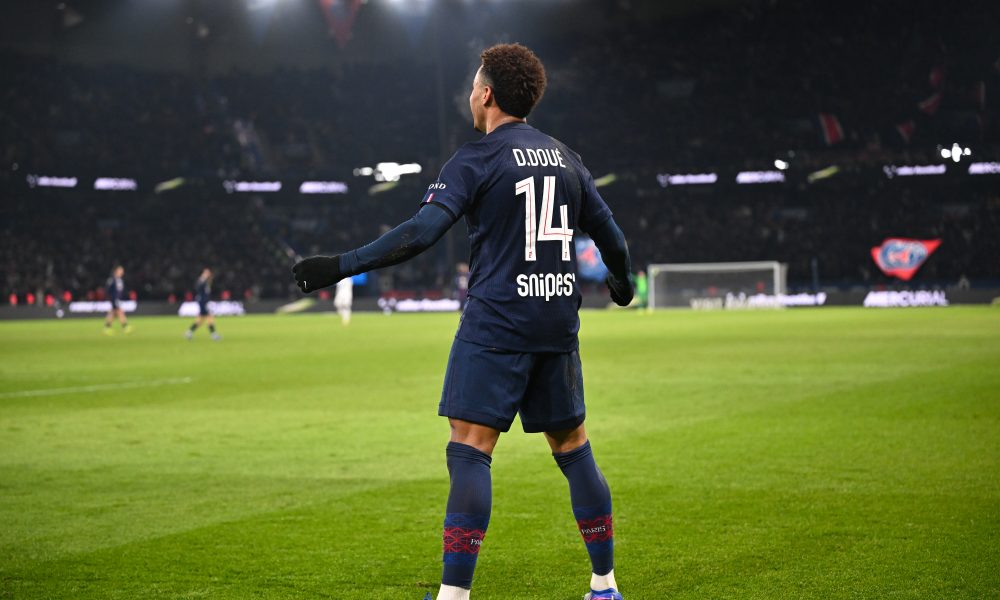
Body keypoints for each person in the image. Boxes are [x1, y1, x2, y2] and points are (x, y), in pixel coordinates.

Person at [292, 43, 633, 600]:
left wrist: (340, 266)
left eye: (475, 85)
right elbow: (613, 240)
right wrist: (622, 285)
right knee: (574, 449)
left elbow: (420, 233)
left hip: (496, 324)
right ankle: (604, 586)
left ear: (488, 95)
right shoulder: (567, 158)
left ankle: (454, 597)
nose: (471, 94)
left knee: (470, 449)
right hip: (556, 326)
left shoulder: (476, 158)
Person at [185, 268, 221, 341]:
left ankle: (189, 332)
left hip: (204, 301)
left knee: (200, 319)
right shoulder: (201, 280)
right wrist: (204, 277)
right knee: (209, 317)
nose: (208, 274)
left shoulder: (206, 281)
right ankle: (214, 335)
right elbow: (198, 287)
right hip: (202, 302)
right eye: (206, 273)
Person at [103, 265, 132, 335]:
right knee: (120, 311)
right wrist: (111, 298)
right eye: (120, 270)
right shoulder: (112, 280)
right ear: (116, 271)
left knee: (113, 313)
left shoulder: (120, 280)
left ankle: (107, 327)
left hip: (117, 299)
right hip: (114, 299)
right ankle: (125, 326)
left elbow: (120, 291)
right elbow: (107, 289)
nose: (122, 272)